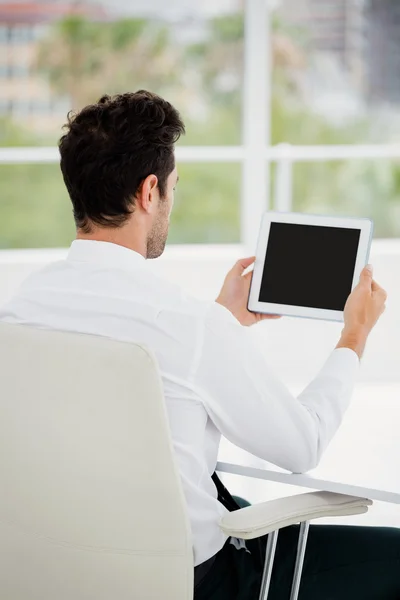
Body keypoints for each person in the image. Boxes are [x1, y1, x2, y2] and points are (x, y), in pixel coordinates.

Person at [0, 91, 396, 600]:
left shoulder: (21, 307)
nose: (170, 199)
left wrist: (221, 321)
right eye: (172, 187)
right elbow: (303, 445)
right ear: (148, 192)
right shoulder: (192, 328)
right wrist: (354, 335)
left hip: (55, 572)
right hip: (191, 583)